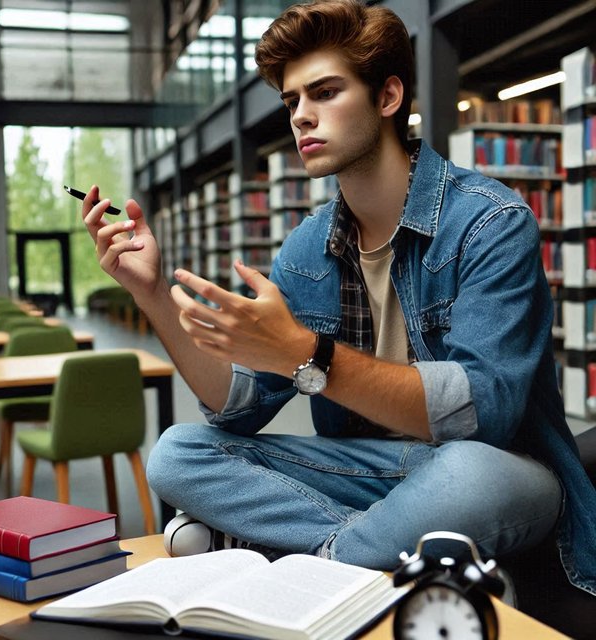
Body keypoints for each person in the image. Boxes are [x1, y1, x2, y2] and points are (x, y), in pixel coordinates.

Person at [83, 0, 596, 594]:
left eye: (325, 92)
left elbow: (486, 414)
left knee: (472, 476)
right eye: (292, 100)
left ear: (387, 97)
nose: (301, 116)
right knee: (178, 452)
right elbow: (238, 409)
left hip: (489, 469)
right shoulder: (305, 250)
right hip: (366, 473)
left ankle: (299, 562)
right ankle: (381, 557)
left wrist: (310, 355)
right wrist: (152, 294)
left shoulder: (490, 223)